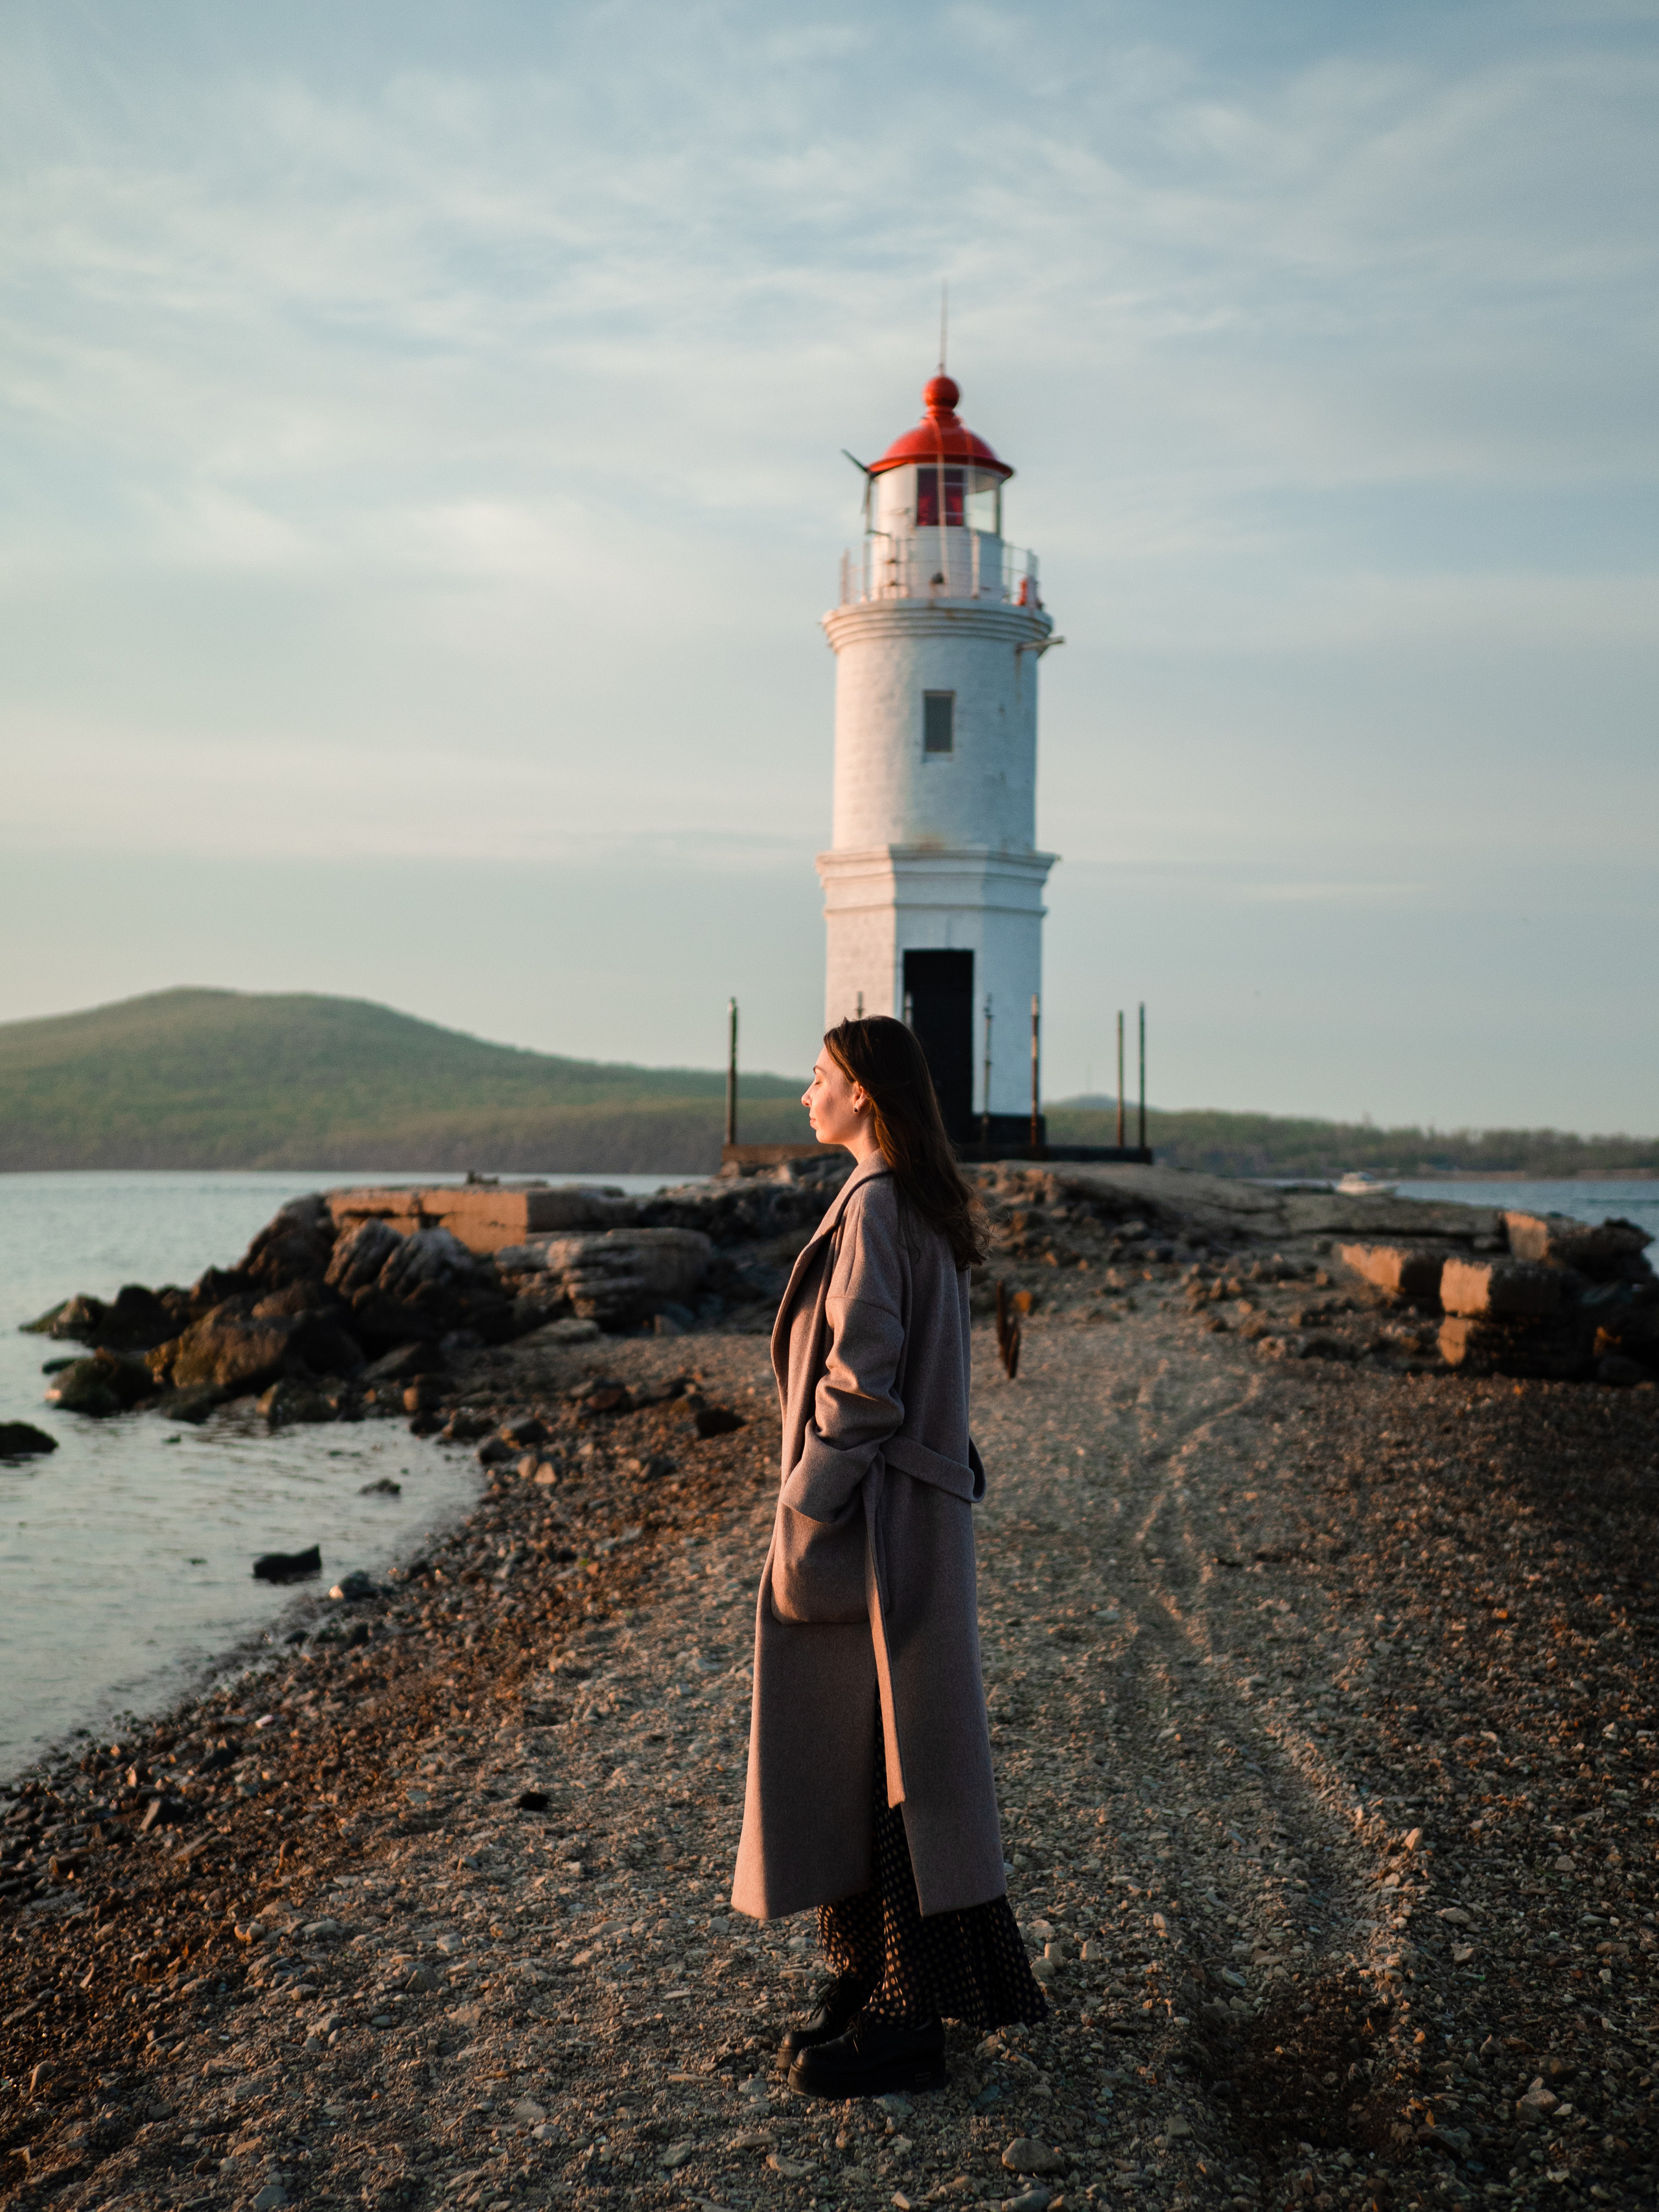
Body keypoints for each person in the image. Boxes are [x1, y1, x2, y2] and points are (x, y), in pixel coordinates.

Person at [730, 1016, 1045, 2098]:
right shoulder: (910, 1199)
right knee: (878, 1752)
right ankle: (874, 1979)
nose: (803, 1093)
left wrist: (803, 1503)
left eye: (818, 1077)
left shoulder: (875, 1205)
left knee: (897, 1758)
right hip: (911, 1513)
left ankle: (910, 2016)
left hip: (878, 1521)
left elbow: (862, 1388)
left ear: (863, 1092)